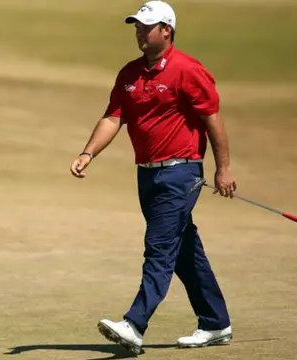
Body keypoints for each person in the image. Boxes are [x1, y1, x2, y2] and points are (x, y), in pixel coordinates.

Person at [69, 0, 237, 355]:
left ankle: (135, 323)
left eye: (147, 26)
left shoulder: (188, 70)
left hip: (181, 172)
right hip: (147, 175)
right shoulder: (129, 74)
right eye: (137, 26)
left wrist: (223, 168)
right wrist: (88, 153)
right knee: (184, 251)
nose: (139, 32)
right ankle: (215, 322)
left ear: (167, 31)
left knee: (159, 248)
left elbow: (213, 119)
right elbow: (113, 117)